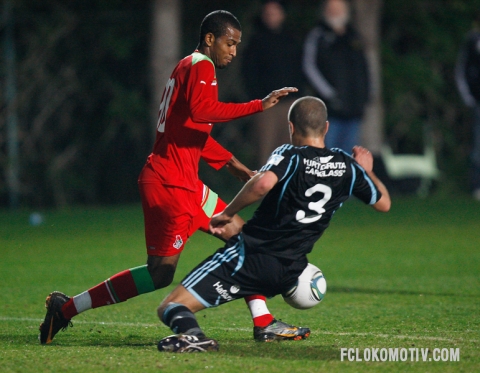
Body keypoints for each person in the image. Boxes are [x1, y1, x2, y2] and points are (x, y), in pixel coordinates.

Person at [39, 10, 308, 345]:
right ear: (210, 38)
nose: (233, 51)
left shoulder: (187, 65)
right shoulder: (201, 65)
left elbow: (192, 131)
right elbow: (203, 112)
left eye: (237, 45)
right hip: (172, 186)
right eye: (230, 43)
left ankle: (264, 323)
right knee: (160, 273)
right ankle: (64, 310)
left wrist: (234, 166)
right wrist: (258, 105)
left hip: (181, 181)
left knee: (244, 241)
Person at [155, 96, 391, 353]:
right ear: (326, 127)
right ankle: (264, 323)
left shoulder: (289, 155)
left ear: (291, 127)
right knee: (248, 251)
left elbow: (263, 184)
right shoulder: (347, 165)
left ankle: (193, 336)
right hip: (290, 271)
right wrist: (366, 170)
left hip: (249, 259)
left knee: (171, 306)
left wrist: (228, 212)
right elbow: (383, 204)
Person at [241, 0, 303, 168]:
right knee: (266, 149)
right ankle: (264, 189)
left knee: (289, 148)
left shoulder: (292, 39)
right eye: (268, 13)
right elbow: (249, 72)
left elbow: (300, 68)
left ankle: (286, 188)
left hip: (290, 102)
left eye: (275, 12)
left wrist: (298, 93)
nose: (271, 16)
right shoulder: (256, 41)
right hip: (266, 104)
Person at [302, 0, 370, 153]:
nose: (335, 12)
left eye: (339, 8)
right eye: (331, 8)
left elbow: (363, 69)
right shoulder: (318, 36)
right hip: (329, 110)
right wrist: (330, 94)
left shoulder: (354, 37)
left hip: (353, 108)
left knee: (348, 155)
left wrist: (364, 96)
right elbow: (309, 67)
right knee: (326, 152)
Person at [455, 16, 480, 200]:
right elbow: (462, 70)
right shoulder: (473, 40)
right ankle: (476, 186)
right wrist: (469, 97)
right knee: (478, 147)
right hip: (478, 101)